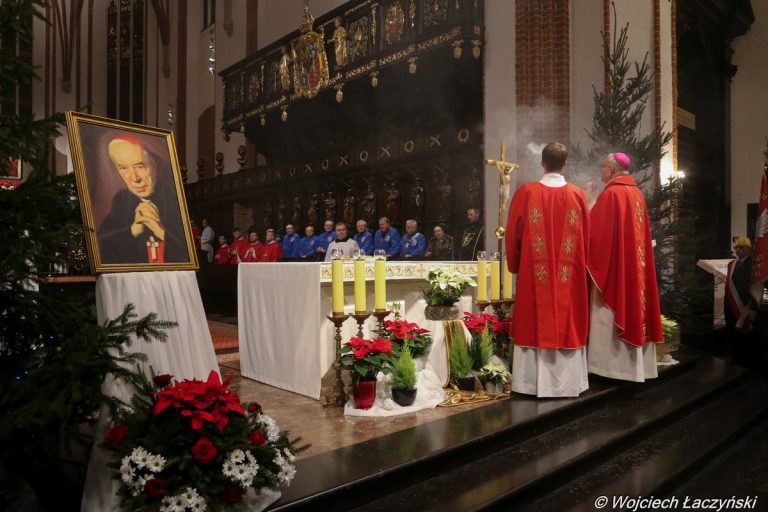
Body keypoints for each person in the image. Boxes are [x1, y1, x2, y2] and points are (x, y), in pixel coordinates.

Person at [505, 142, 590, 398]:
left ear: (542, 163)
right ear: (566, 164)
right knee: (568, 320)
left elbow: (512, 234)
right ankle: (569, 384)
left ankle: (529, 384)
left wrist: (515, 264)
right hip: (570, 276)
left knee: (533, 319)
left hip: (534, 274)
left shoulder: (526, 192)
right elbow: (587, 238)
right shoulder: (577, 195)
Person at [587, 152, 663, 382]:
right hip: (634, 269)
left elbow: (594, 235)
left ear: (611, 170)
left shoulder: (612, 194)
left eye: (603, 167)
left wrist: (587, 206)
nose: (600, 171)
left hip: (615, 271)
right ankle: (635, 368)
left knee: (607, 314)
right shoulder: (636, 193)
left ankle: (611, 370)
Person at [98, 136, 186, 264]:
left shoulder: (172, 200)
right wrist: (133, 230)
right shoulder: (122, 200)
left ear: (153, 167)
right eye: (123, 168)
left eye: (140, 166)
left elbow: (185, 252)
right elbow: (101, 245)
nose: (134, 178)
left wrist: (160, 231)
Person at [724, 236, 760, 369]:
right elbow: (728, 287)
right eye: (736, 247)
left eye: (741, 247)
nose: (738, 250)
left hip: (747, 307)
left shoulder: (755, 265)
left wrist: (756, 309)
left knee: (746, 337)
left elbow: (760, 288)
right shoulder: (731, 264)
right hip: (731, 306)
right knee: (732, 333)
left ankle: (746, 362)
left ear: (749, 249)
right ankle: (736, 358)